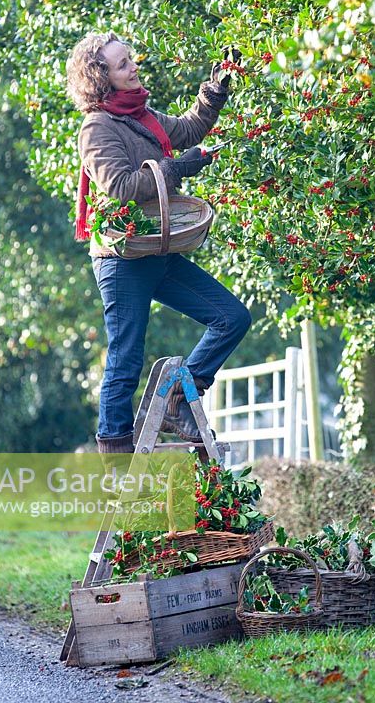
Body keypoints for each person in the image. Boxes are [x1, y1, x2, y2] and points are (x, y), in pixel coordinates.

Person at [66, 31, 251, 457]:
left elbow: (189, 128)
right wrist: (176, 169)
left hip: (158, 250)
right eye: (123, 64)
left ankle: (178, 398)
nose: (133, 67)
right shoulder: (97, 128)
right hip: (124, 259)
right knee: (126, 359)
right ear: (101, 78)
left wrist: (217, 87)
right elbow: (122, 187)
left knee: (231, 317)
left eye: (130, 59)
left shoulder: (140, 115)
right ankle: (115, 455)